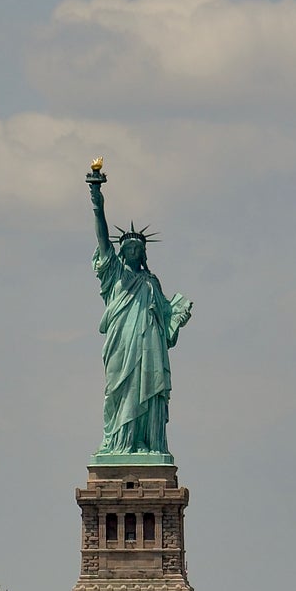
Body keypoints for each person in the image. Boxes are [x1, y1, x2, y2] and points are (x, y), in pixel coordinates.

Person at [87, 163, 193, 457]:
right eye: (128, 248)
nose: (132, 252)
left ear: (143, 254)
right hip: (121, 345)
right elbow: (101, 235)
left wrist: (178, 314)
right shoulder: (114, 276)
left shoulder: (150, 282)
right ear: (121, 252)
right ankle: (119, 443)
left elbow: (166, 317)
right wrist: (96, 197)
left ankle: (145, 443)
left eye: (137, 249)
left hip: (149, 348)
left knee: (147, 391)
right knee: (118, 393)